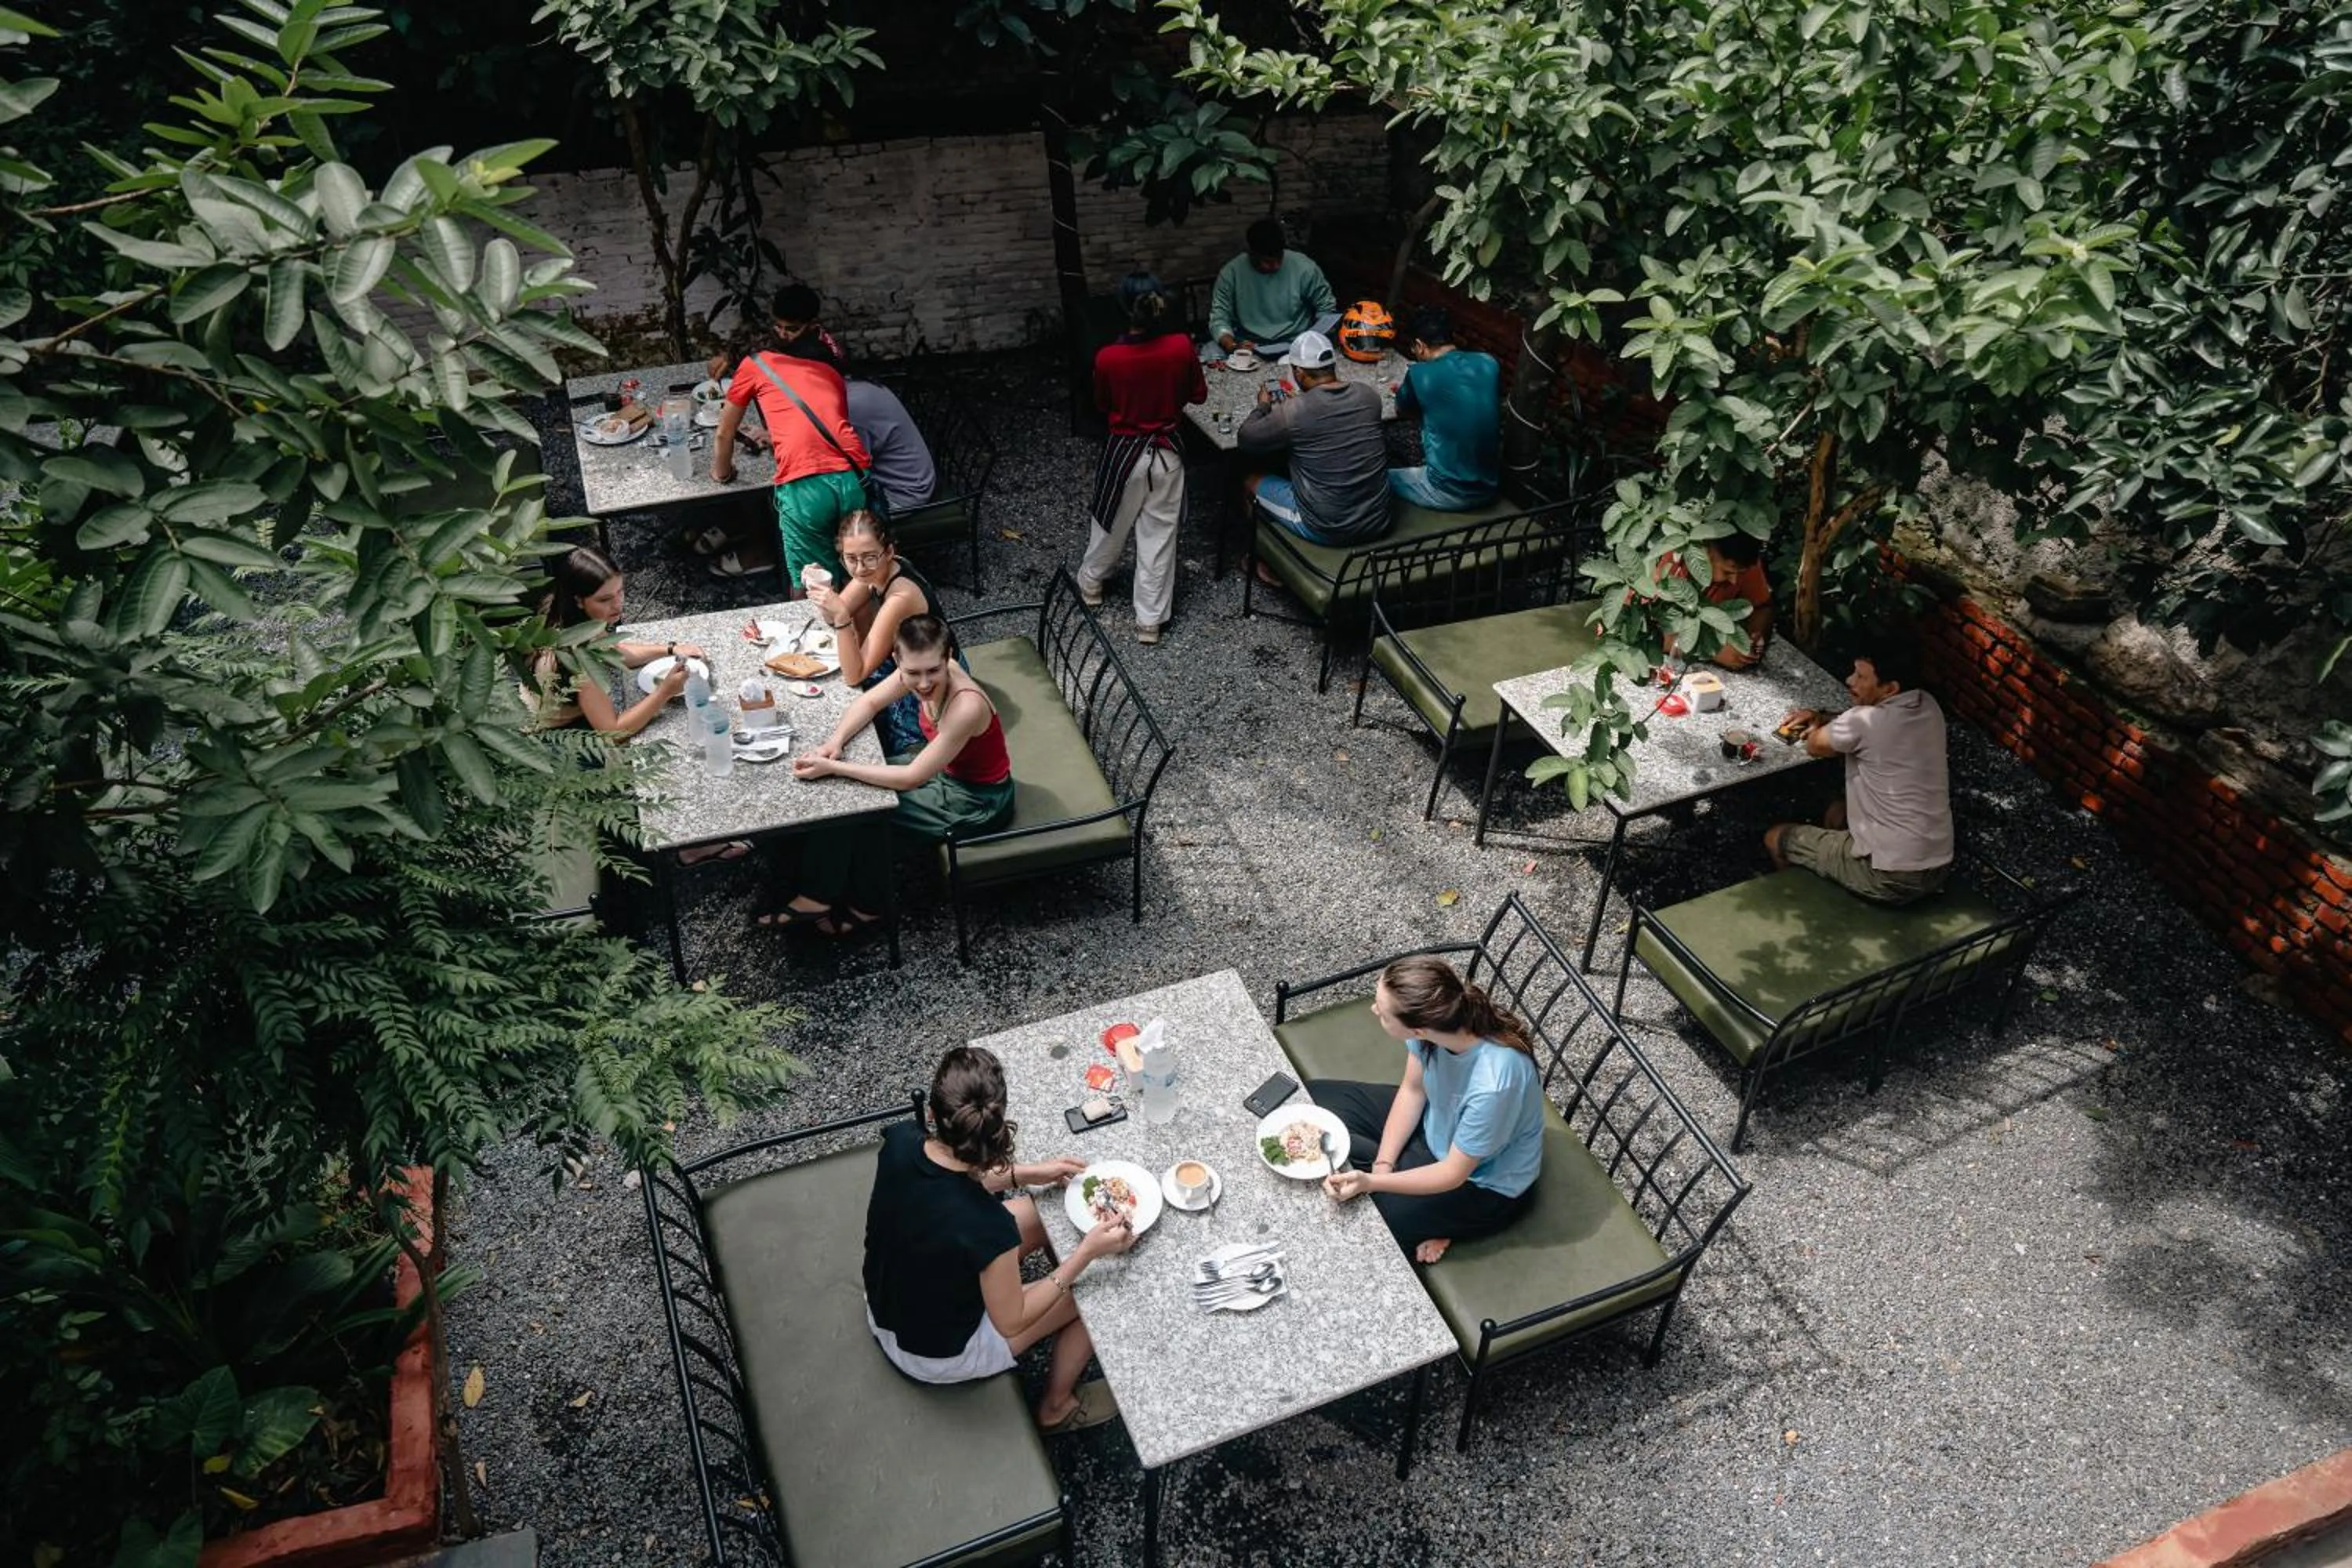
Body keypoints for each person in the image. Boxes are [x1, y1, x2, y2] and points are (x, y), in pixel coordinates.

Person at [863, 1045, 1133, 1433]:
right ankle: (1056, 1408)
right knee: (1096, 1287)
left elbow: (951, 1176)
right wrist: (1085, 1254)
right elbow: (1011, 1321)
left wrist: (1029, 1173)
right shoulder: (987, 1226)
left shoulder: (902, 1142)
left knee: (1038, 1213)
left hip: (888, 1303)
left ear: (932, 1115)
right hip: (935, 1353)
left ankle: (1059, 1283)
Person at [764, 614, 1013, 938]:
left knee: (864, 806)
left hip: (975, 800)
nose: (923, 683)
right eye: (913, 673)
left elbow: (911, 777)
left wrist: (836, 767)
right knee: (849, 789)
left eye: (933, 671)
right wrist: (835, 743)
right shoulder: (917, 668)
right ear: (898, 660)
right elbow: (869, 702)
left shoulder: (966, 706)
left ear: (948, 658)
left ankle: (856, 903)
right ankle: (816, 883)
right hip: (941, 770)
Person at [1308, 956, 1546, 1265]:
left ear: (1418, 1030)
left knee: (1373, 1228)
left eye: (1382, 1011)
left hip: (1481, 1183)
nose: (1374, 1010)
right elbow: (1413, 1091)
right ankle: (1397, 1175)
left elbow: (1452, 1173)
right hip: (1436, 1122)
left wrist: (1373, 1183)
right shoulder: (1436, 1030)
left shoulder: (1495, 1084)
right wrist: (1383, 1164)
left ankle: (1446, 1224)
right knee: (1316, 1098)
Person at [1766, 626, 1955, 905]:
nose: (1849, 680)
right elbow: (1869, 725)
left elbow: (1815, 745)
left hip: (1889, 876)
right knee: (1836, 812)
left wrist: (1820, 725)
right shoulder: (1928, 705)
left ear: (1890, 688)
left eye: (1861, 677)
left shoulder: (1862, 722)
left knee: (1775, 838)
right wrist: (1825, 717)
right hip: (1938, 864)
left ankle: (1807, 907)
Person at [711, 284, 872, 593]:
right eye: (779, 327)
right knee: (855, 576)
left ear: (811, 325)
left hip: (806, 483)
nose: (783, 334)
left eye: (792, 329)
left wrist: (722, 474)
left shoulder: (755, 364)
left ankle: (811, 623)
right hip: (853, 473)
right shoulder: (828, 363)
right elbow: (823, 420)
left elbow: (723, 433)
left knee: (810, 585)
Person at [1079, 271, 1205, 646]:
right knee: (1159, 536)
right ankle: (1149, 621)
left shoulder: (1109, 358)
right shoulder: (1181, 347)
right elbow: (1198, 395)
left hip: (1124, 454)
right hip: (1167, 451)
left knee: (1110, 523)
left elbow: (1102, 404)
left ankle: (1091, 584)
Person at [1237, 328, 1391, 558]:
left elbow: (1246, 439)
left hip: (1326, 528)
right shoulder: (1368, 395)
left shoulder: (1295, 410)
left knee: (1248, 482)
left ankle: (1261, 560)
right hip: (1377, 519)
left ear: (1298, 373)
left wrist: (1263, 406)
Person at [521, 546, 702, 740]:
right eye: (605, 599)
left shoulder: (566, 615)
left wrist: (670, 649)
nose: (618, 604)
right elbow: (613, 732)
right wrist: (664, 692)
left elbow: (613, 651)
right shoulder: (578, 659)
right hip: (548, 737)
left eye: (620, 591)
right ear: (579, 601)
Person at [808, 510, 948, 757]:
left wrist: (842, 618)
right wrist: (821, 588)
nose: (860, 568)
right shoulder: (873, 570)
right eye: (851, 559)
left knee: (877, 735)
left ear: (889, 551)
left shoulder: (900, 597)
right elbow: (834, 614)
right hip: (904, 666)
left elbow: (854, 674)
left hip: (932, 677)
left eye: (869, 557)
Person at [1388, 307, 1501, 512]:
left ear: (1420, 346)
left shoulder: (1419, 373)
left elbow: (1401, 411)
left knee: (1379, 477)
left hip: (1449, 492)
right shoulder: (1489, 363)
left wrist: (1412, 391)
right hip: (1490, 486)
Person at [1209, 216, 1338, 356]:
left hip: (1296, 341)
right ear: (1252, 254)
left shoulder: (1304, 267)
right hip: (1250, 344)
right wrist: (1232, 346)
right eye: (1268, 261)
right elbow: (1219, 318)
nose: (1276, 266)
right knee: (1210, 351)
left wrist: (1316, 336)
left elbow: (1326, 306)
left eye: (1279, 258)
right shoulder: (1231, 273)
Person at [1661, 533, 1774, 671]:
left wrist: (1755, 635)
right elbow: (1649, 634)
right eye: (1727, 572)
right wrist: (1713, 650)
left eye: (1740, 574)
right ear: (1705, 553)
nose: (1734, 581)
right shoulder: (1672, 560)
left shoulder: (1742, 560)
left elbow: (1762, 607)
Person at [844, 376, 937, 517]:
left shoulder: (852, 406)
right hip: (913, 479)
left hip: (900, 496)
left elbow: (851, 476)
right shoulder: (857, 385)